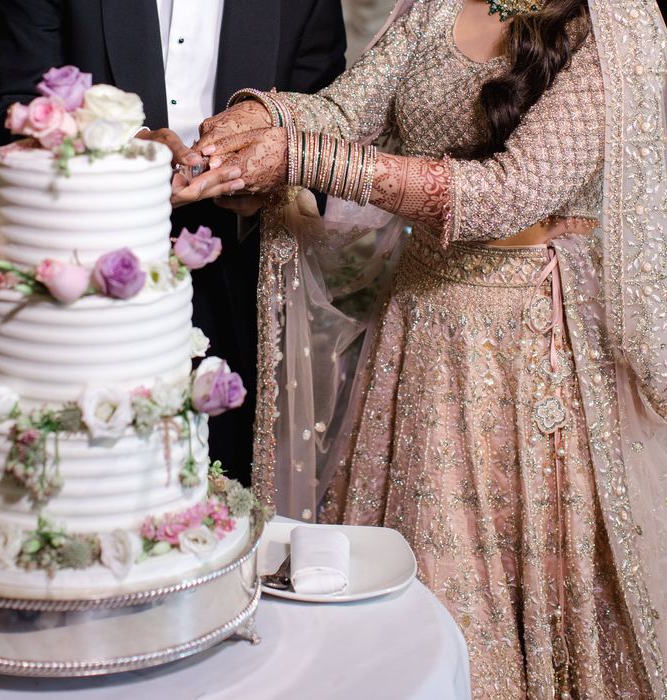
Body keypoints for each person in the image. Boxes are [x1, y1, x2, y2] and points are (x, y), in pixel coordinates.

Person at [195, 0, 667, 695]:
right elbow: (347, 110)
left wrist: (303, 157)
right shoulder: (438, 5)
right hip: (414, 341)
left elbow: (508, 193)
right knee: (394, 612)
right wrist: (255, 122)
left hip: (525, 354)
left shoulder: (619, 24)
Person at [0, 0, 347, 486]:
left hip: (242, 301)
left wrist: (274, 182)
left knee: (224, 512)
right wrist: (121, 155)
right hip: (73, 294)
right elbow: (2, 110)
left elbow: (332, 123)